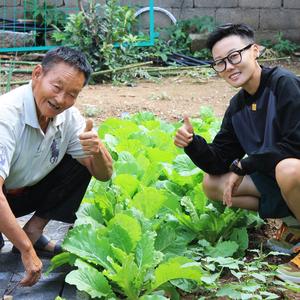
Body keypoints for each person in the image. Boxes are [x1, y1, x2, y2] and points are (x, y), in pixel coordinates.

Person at [174, 23, 300, 283]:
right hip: (281, 179)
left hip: (293, 172)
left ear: (255, 50)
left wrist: (245, 164)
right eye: (219, 63)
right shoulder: (238, 106)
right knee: (213, 185)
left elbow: (295, 143)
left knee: (288, 169)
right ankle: (296, 227)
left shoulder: (285, 84)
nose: (229, 67)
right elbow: (220, 158)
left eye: (234, 56)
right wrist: (192, 143)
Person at [0, 46, 113, 286]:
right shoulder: (7, 115)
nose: (61, 100)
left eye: (72, 94)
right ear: (37, 74)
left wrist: (99, 152)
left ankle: (33, 232)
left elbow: (104, 175)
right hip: (3, 195)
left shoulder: (69, 117)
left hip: (21, 192)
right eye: (57, 87)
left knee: (84, 161)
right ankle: (25, 242)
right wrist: (26, 252)